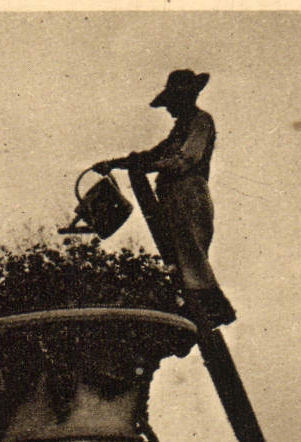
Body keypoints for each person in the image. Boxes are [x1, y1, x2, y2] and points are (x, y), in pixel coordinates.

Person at [95, 69, 236, 326]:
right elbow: (151, 156)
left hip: (188, 192)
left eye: (172, 104)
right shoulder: (179, 129)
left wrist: (148, 166)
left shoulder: (201, 122)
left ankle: (214, 306)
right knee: (179, 251)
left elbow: (184, 160)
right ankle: (195, 305)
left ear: (185, 99)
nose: (170, 110)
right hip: (172, 194)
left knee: (190, 250)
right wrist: (116, 163)